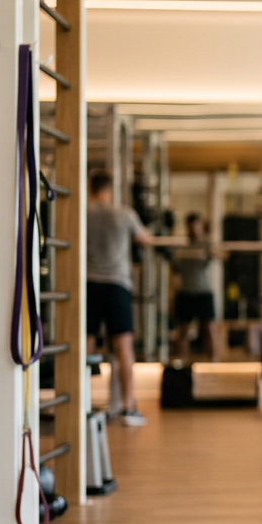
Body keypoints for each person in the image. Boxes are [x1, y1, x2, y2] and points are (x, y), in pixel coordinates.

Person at [86, 172, 157, 426]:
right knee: (123, 349)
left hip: (90, 285)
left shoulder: (84, 214)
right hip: (117, 285)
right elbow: (146, 240)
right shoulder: (124, 214)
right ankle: (127, 407)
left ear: (90, 187)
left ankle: (81, 405)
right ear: (111, 189)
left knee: (87, 346)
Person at [170, 214, 219, 363]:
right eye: (191, 226)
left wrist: (210, 254)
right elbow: (174, 267)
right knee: (183, 330)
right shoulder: (181, 245)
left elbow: (222, 253)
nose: (194, 229)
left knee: (209, 328)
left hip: (203, 292)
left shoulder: (207, 244)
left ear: (201, 226)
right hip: (186, 292)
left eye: (197, 225)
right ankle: (182, 362)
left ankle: (214, 361)